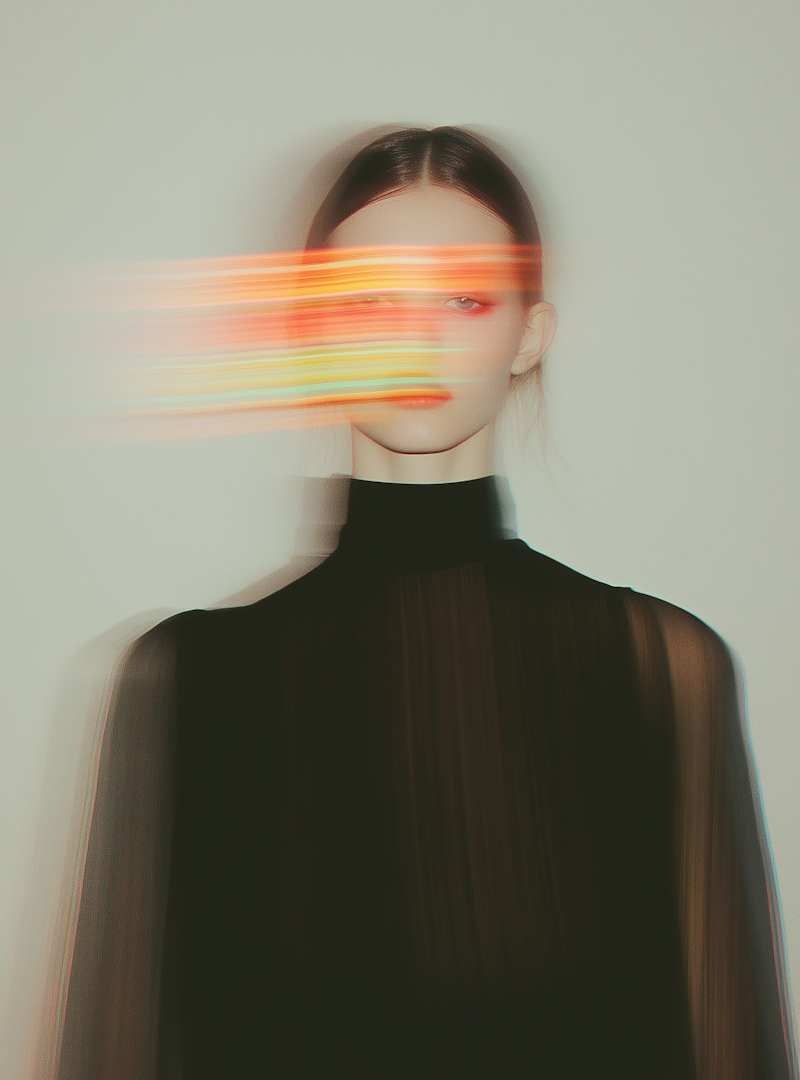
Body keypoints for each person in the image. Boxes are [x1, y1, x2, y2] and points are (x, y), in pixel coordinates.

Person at [51, 126, 798, 1080]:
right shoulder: (189, 677)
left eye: (463, 296)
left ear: (531, 334)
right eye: (368, 299)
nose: (414, 335)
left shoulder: (661, 667)